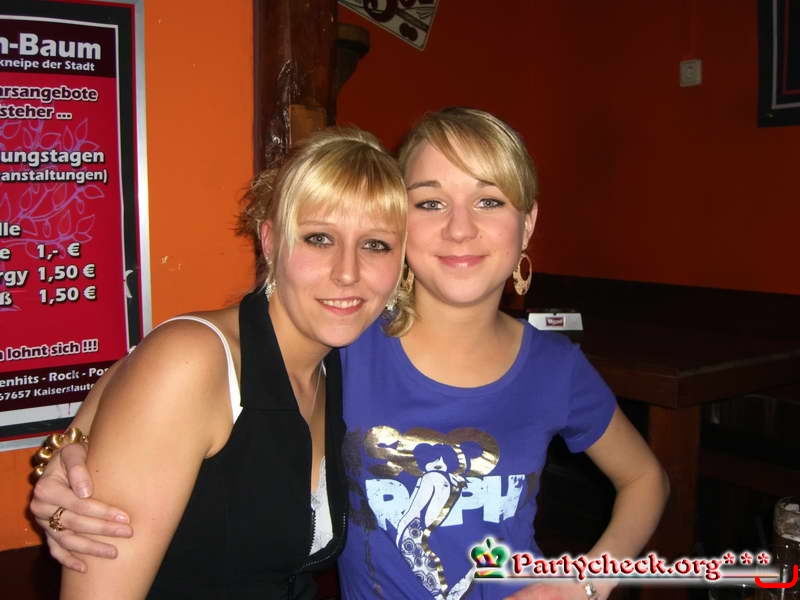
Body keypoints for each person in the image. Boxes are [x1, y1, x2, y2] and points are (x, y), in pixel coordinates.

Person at [31, 109, 669, 600]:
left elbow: (646, 478)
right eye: (430, 202)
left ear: (526, 224)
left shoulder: (549, 365)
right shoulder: (352, 337)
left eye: (490, 200)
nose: (460, 227)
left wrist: (588, 580)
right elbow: (180, 359)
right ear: (404, 226)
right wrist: (72, 452)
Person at [31, 127, 407, 599]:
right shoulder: (194, 359)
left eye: (375, 245)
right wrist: (66, 458)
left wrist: (66, 443)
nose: (347, 272)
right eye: (318, 238)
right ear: (269, 242)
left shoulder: (339, 366)